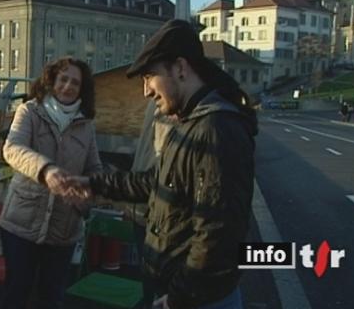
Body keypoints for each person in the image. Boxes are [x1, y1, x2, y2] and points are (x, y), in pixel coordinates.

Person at [67, 20, 258, 309]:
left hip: (197, 300)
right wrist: (93, 184)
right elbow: (154, 182)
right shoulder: (188, 122)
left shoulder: (216, 129)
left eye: (149, 77)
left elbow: (217, 233)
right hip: (177, 289)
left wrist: (179, 298)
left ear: (180, 68)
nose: (145, 91)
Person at [0, 57, 102, 309]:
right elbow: (12, 149)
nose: (67, 86)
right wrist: (46, 170)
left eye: (75, 83)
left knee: (51, 298)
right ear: (51, 80)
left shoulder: (86, 125)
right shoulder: (30, 111)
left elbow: (94, 168)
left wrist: (88, 194)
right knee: (16, 293)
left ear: (82, 89)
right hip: (21, 224)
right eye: (63, 79)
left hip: (63, 230)